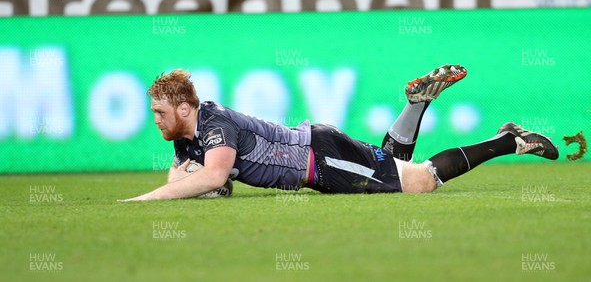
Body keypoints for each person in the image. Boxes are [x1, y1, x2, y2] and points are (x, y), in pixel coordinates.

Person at [119, 64, 558, 201]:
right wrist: (181, 185)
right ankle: (416, 104)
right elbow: (183, 177)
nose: (155, 120)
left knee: (419, 182)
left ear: (183, 108)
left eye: (159, 112)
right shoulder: (187, 133)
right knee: (397, 166)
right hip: (321, 155)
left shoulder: (213, 124)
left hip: (321, 159)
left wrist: (141, 201)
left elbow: (213, 176)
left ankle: (510, 139)